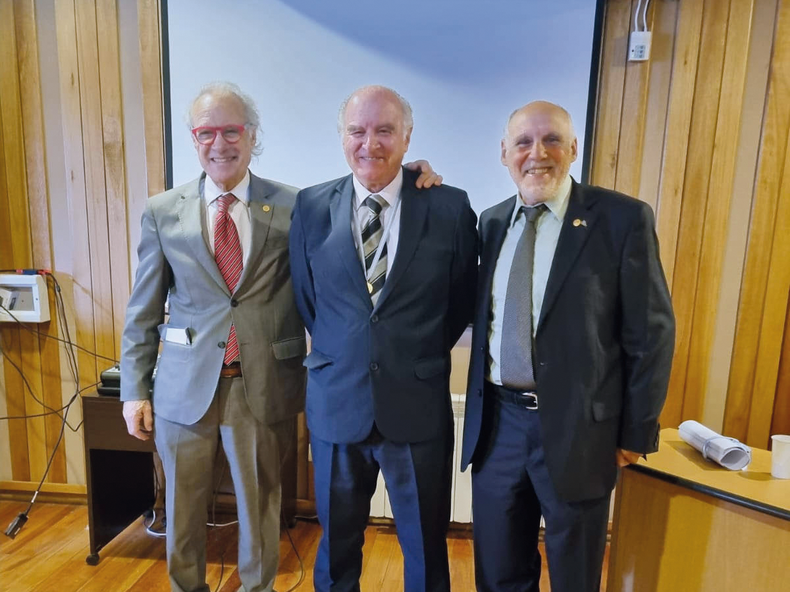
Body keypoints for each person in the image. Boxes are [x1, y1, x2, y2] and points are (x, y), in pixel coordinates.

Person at [120, 81, 440, 592]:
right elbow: (144, 306)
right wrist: (134, 387)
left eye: (232, 130)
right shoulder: (163, 211)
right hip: (183, 389)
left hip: (263, 384)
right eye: (207, 132)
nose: (219, 143)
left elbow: (364, 194)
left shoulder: (299, 206)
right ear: (193, 138)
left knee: (262, 513)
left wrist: (415, 170)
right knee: (180, 516)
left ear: (252, 136)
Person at [461, 101, 675, 592]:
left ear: (573, 148)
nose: (538, 153)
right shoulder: (491, 223)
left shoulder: (621, 220)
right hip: (497, 429)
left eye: (552, 140)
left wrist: (634, 434)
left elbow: (652, 334)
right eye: (523, 142)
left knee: (575, 575)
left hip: (582, 432)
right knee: (498, 573)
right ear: (504, 154)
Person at [289, 85, 478, 592]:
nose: (369, 142)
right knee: (337, 547)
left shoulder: (449, 207)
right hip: (336, 404)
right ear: (342, 137)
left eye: (384, 130)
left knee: (425, 548)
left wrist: (411, 355)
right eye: (357, 130)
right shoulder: (309, 206)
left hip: (416, 407)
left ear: (407, 136)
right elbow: (310, 302)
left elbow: (460, 302)